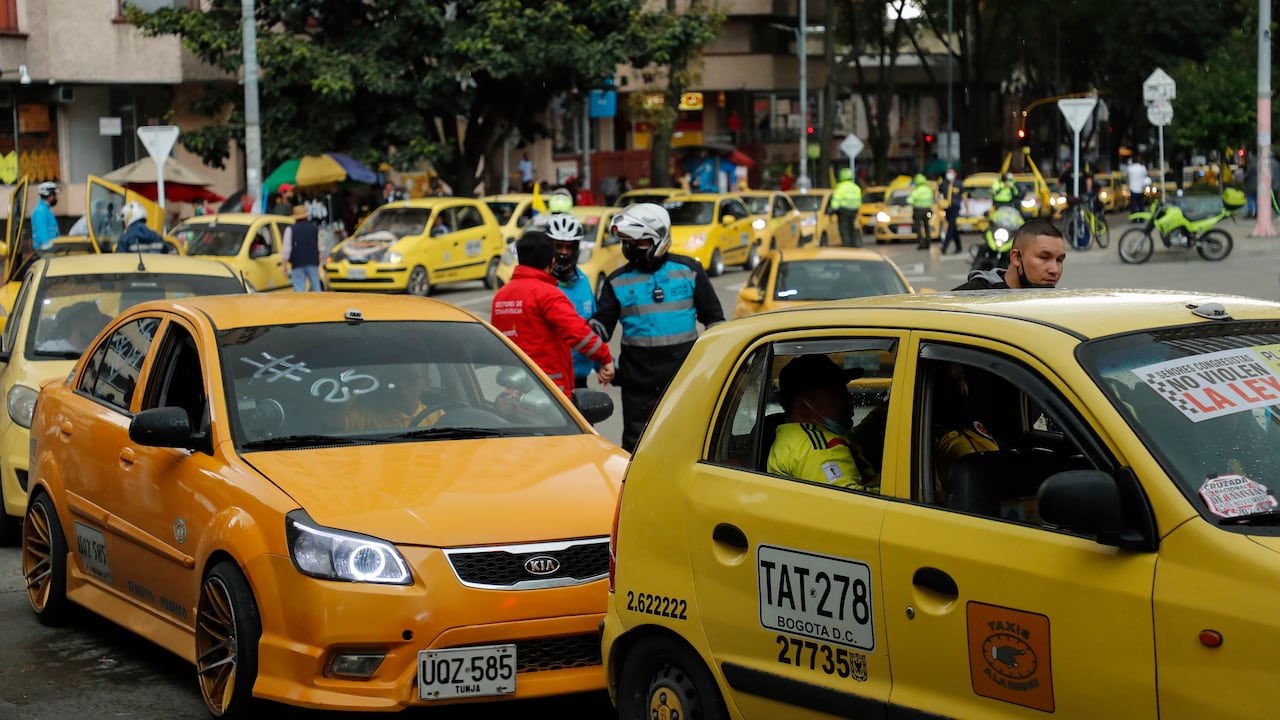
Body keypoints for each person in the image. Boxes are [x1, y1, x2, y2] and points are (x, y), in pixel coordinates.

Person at [591, 203, 725, 452]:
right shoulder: (616, 281)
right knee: (638, 450)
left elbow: (716, 321)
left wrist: (711, 366)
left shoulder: (690, 272)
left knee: (689, 448)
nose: (631, 248)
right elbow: (598, 331)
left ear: (659, 240)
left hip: (685, 381)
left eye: (639, 242)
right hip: (637, 387)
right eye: (628, 242)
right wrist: (601, 361)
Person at [491, 229, 615, 397]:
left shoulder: (501, 296)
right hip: (549, 392)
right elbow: (579, 334)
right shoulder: (549, 294)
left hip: (514, 387)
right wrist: (605, 357)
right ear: (552, 261)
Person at [767, 354, 878, 492]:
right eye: (837, 392)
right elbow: (848, 504)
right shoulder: (818, 449)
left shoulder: (794, 437)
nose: (849, 400)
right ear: (804, 405)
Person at [545, 214, 601, 389]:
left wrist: (604, 364)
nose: (563, 252)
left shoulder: (583, 281)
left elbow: (591, 329)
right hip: (545, 379)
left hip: (578, 379)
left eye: (568, 247)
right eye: (558, 246)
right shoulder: (538, 283)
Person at [953, 218, 1066, 290]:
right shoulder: (974, 296)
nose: (1054, 270)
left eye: (1059, 260)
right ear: (1016, 257)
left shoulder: (1055, 304)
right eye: (1044, 258)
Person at [344, 364, 444, 430]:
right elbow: (331, 423)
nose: (400, 385)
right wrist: (366, 379)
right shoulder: (364, 415)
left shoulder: (439, 417)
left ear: (426, 384)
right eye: (391, 379)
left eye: (410, 378)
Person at [37, 300, 111, 354]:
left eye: (101, 320)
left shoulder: (102, 352)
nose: (100, 324)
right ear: (78, 323)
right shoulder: (52, 349)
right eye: (95, 320)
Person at [282, 205, 323, 292]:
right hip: (313, 262)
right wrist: (319, 258)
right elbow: (318, 246)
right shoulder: (314, 228)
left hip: (297, 263)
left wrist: (284, 265)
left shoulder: (290, 229)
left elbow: (287, 248)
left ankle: (302, 305)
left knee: (299, 289)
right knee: (316, 288)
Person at [828, 167, 862, 247]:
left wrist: (832, 210)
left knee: (844, 230)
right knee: (852, 229)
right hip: (854, 211)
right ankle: (854, 245)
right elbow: (859, 201)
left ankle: (847, 247)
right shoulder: (856, 188)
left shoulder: (841, 187)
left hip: (843, 212)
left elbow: (836, 200)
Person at [907, 173, 936, 250]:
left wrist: (914, 203)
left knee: (918, 228)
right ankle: (928, 243)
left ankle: (921, 243)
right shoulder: (928, 190)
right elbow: (932, 200)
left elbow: (909, 200)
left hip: (918, 211)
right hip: (927, 210)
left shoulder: (917, 191)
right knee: (927, 226)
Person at [939, 168, 964, 255]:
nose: (949, 174)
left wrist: (967, 209)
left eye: (951, 172)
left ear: (955, 174)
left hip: (955, 207)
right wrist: (939, 202)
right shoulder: (944, 183)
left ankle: (944, 247)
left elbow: (964, 197)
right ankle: (959, 246)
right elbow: (937, 192)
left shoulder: (959, 184)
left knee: (951, 227)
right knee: (953, 229)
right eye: (948, 172)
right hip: (947, 207)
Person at [32, 181, 59, 252]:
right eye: (54, 194)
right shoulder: (40, 211)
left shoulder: (45, 209)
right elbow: (42, 232)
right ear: (48, 195)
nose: (56, 197)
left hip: (50, 249)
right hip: (45, 250)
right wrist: (48, 249)